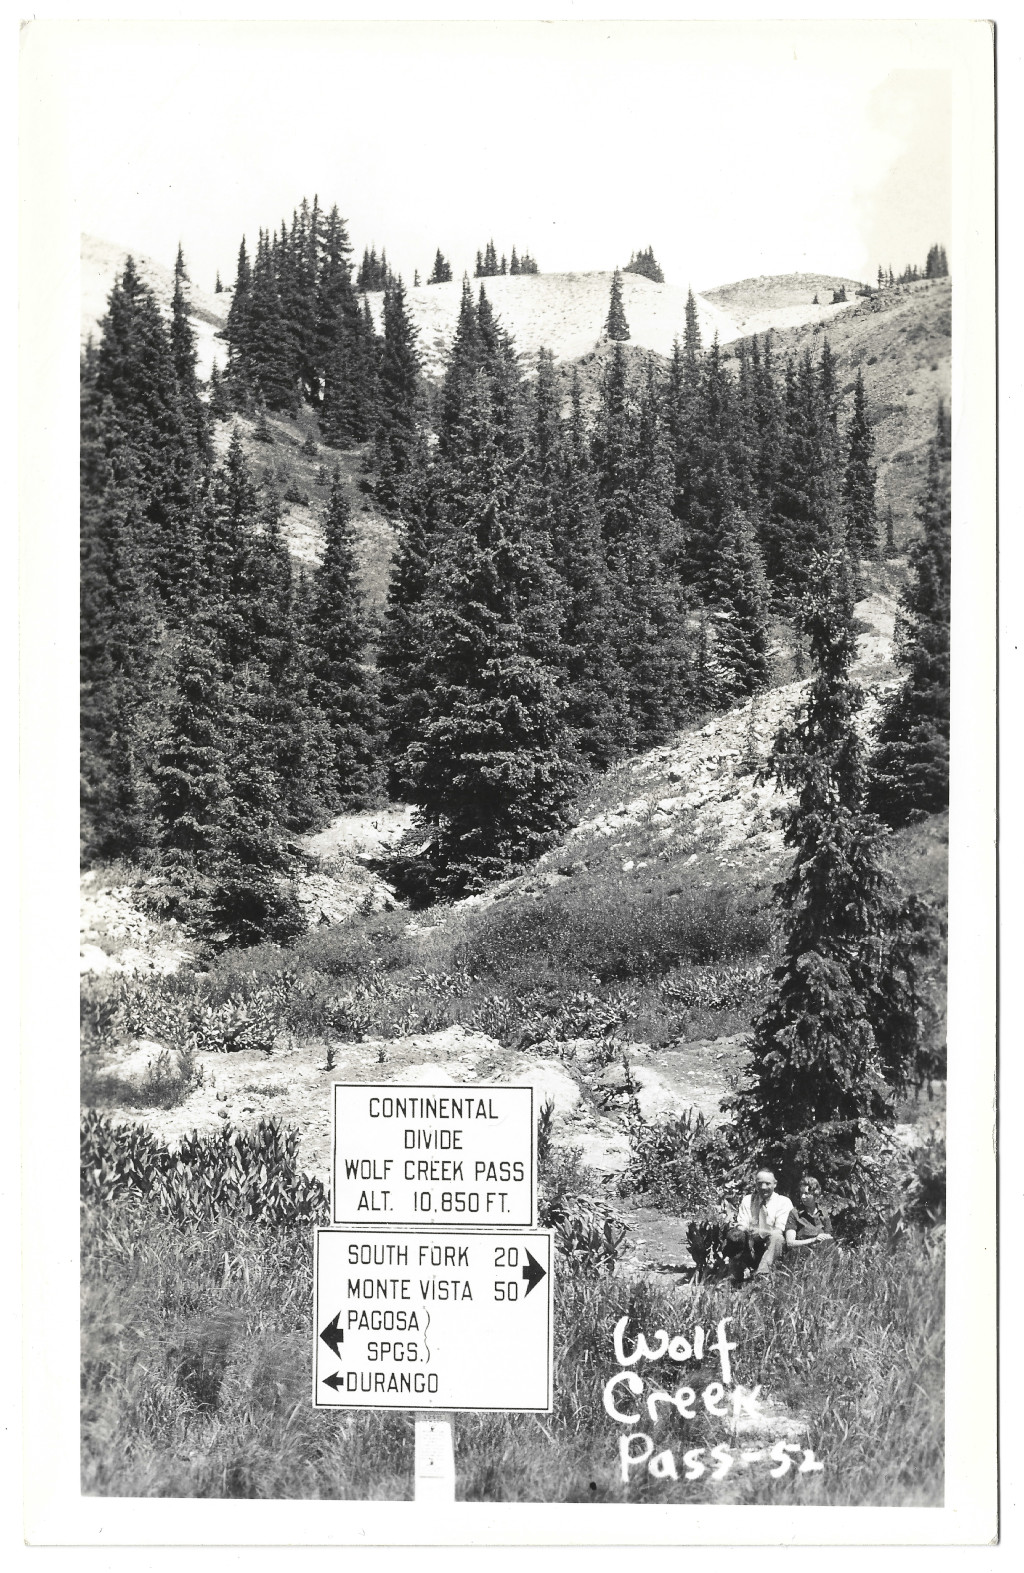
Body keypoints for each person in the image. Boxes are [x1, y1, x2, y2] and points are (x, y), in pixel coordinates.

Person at [725, 1168, 793, 1285]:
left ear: (775, 1184)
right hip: (751, 1246)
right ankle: (735, 1277)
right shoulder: (748, 1200)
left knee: (777, 1237)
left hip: (771, 1249)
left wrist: (758, 1232)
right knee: (736, 1235)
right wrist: (739, 1231)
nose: (763, 1187)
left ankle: (761, 1277)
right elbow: (743, 1224)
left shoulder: (783, 1202)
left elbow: (778, 1230)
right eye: (760, 1183)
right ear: (755, 1183)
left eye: (767, 1183)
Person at [784, 1176, 834, 1252]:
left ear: (815, 1194)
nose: (803, 1197)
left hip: (820, 1254)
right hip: (801, 1254)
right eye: (801, 1193)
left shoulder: (823, 1213)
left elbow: (829, 1238)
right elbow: (790, 1243)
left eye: (806, 1193)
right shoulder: (795, 1213)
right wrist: (814, 1240)